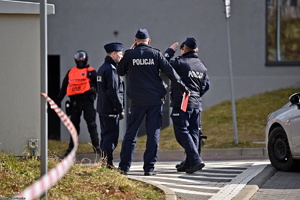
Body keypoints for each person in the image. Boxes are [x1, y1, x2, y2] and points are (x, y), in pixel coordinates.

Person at [117, 28, 189, 176]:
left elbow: (120, 71)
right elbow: (170, 72)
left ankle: (124, 168)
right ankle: (149, 169)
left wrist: (128, 54)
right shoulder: (156, 54)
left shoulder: (130, 55)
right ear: (149, 41)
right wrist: (183, 88)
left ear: (135, 41)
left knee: (131, 134)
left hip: (137, 101)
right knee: (153, 134)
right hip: (155, 101)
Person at [164, 38, 210, 173]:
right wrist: (195, 95)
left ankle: (195, 159)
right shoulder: (202, 66)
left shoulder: (179, 62)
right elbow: (206, 86)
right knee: (193, 132)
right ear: (196, 50)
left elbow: (163, 62)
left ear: (184, 49)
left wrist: (170, 50)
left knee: (181, 131)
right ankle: (190, 162)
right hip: (196, 103)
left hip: (182, 102)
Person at [56, 50, 100, 157]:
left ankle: (97, 148)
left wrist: (95, 93)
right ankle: (71, 148)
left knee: (92, 125)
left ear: (86, 58)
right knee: (74, 126)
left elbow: (99, 86)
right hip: (74, 102)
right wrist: (58, 101)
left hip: (87, 101)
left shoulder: (91, 71)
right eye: (78, 58)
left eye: (82, 58)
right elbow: (64, 87)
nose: (80, 60)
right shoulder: (71, 72)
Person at [97, 42, 125, 168]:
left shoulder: (102, 68)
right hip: (111, 109)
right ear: (113, 54)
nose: (122, 56)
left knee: (104, 136)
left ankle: (104, 162)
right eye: (120, 53)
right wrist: (120, 108)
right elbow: (113, 92)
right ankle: (108, 163)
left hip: (103, 108)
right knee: (111, 137)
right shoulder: (111, 70)